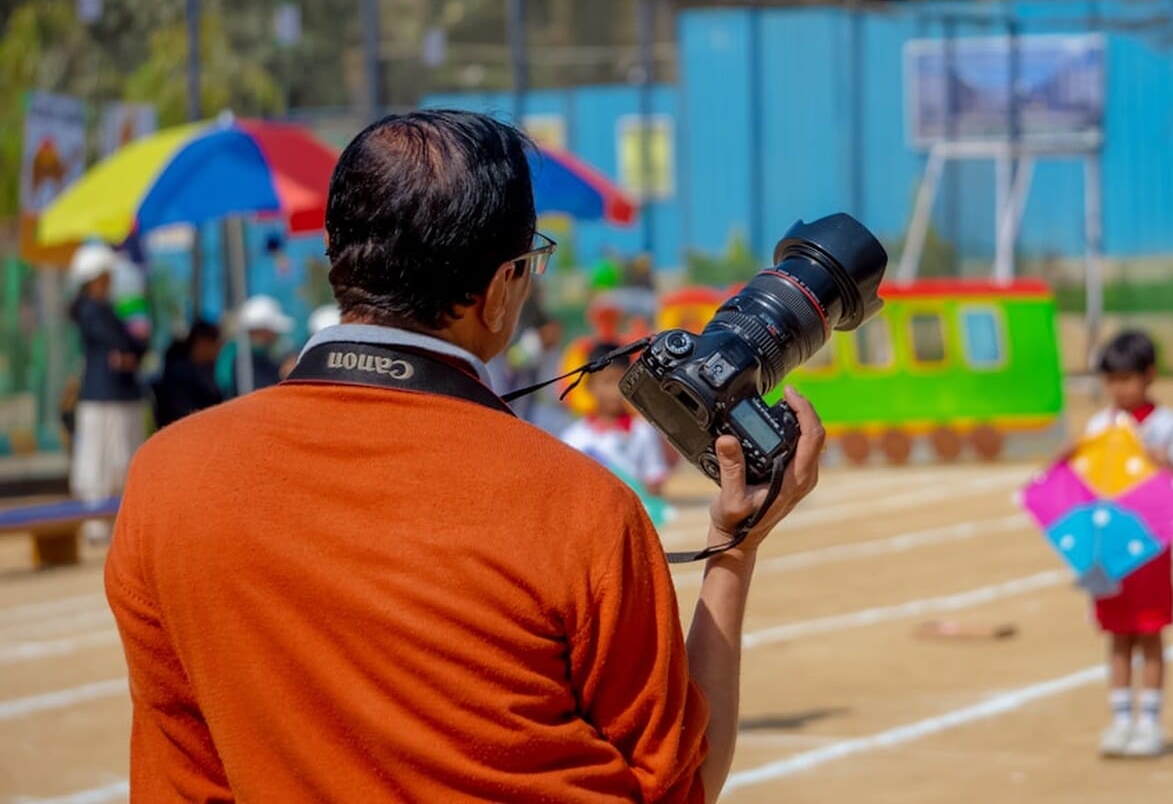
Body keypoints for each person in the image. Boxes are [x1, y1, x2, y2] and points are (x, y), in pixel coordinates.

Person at [106, 109, 823, 802]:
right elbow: (680, 783)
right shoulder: (581, 509)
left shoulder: (166, 477)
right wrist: (733, 551)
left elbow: (182, 780)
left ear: (337, 256)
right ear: (500, 287)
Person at [1079, 331, 1173, 759]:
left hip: (1152, 546)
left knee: (1149, 632)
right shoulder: (1100, 425)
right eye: (1111, 380)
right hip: (1110, 547)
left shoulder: (1168, 425)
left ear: (1149, 376)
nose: (1118, 389)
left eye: (1127, 379)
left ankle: (1150, 723)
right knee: (1117, 634)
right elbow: (1085, 484)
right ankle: (1120, 721)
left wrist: (1166, 466)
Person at [67, 243, 147, 542]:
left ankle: (117, 524)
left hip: (120, 395)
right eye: (105, 275)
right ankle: (96, 524)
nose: (110, 280)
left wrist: (129, 351)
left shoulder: (110, 309)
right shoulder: (90, 310)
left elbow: (136, 345)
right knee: (99, 462)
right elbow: (121, 342)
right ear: (93, 278)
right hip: (101, 398)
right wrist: (127, 349)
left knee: (122, 460)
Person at [562, 341, 673, 496]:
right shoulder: (574, 438)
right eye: (607, 382)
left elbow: (654, 483)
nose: (615, 391)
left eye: (620, 382)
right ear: (590, 386)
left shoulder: (642, 431)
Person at [215, 295, 293, 397]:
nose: (277, 335)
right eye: (273, 330)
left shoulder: (236, 349)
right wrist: (284, 375)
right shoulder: (245, 356)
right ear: (262, 330)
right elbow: (261, 389)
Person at [152, 319, 223, 428]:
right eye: (215, 344)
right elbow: (184, 411)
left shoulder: (208, 368)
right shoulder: (179, 375)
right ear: (201, 343)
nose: (218, 350)